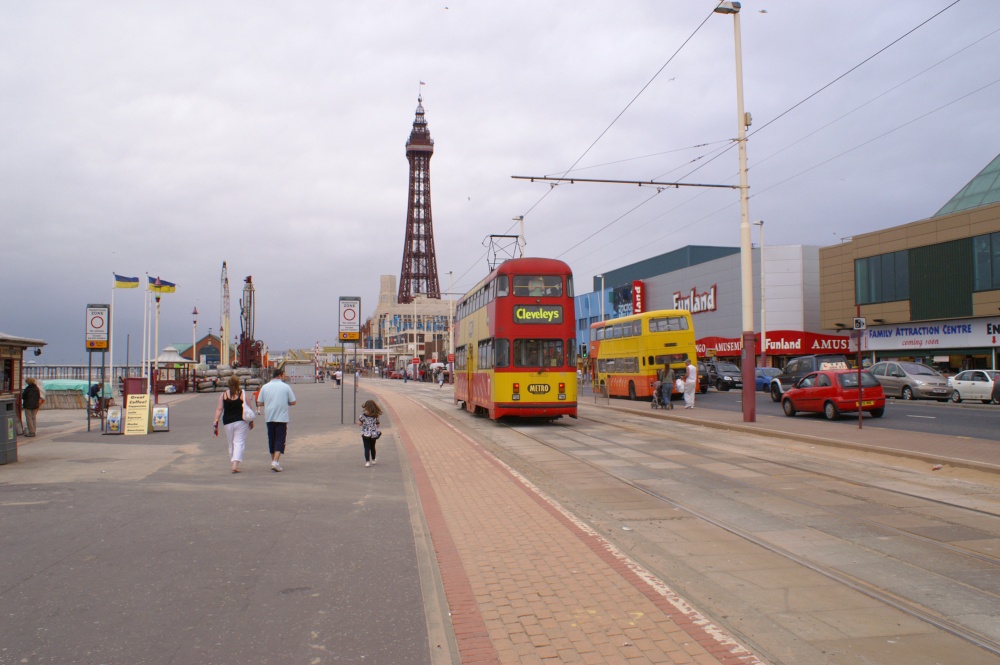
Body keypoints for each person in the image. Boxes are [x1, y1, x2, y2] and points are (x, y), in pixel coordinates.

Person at [256, 367, 297, 472]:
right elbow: (293, 402)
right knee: (280, 439)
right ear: (279, 375)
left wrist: (269, 402)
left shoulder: (265, 387)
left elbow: (259, 402)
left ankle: (274, 461)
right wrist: (283, 402)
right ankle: (275, 461)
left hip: (269, 416)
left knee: (272, 439)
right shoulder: (285, 387)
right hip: (282, 417)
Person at [213, 376, 254, 473]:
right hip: (241, 421)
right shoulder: (242, 394)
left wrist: (216, 420)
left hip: (227, 422)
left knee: (231, 442)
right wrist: (251, 421)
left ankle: (233, 461)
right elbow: (249, 408)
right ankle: (235, 463)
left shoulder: (223, 395)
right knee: (239, 442)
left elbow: (219, 409)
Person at [358, 399, 383, 467]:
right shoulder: (376, 416)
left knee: (366, 447)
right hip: (373, 434)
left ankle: (367, 461)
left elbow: (359, 424)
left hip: (365, 434)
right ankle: (373, 459)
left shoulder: (362, 416)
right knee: (372, 446)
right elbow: (378, 425)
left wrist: (364, 423)